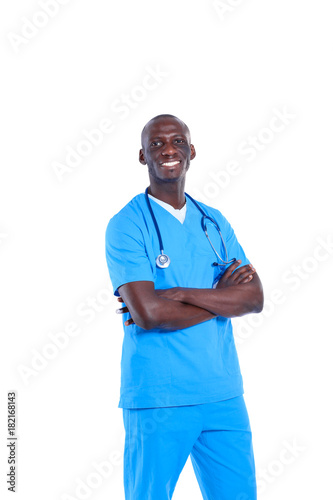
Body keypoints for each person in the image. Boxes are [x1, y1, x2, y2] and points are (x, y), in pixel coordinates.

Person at [105, 114, 264, 500]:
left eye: (177, 141)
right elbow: (149, 315)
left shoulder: (214, 221)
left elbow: (254, 298)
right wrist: (222, 301)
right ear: (143, 157)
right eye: (156, 144)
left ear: (191, 151)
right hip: (159, 397)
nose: (168, 150)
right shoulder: (127, 225)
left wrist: (177, 294)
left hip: (223, 394)